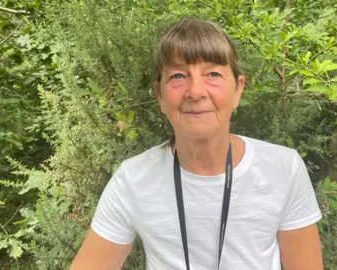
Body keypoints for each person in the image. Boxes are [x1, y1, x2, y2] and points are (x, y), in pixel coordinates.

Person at [70, 19, 323, 270]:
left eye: (213, 74)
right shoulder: (133, 179)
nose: (196, 91)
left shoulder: (283, 168)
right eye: (178, 76)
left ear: (238, 90)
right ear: (159, 94)